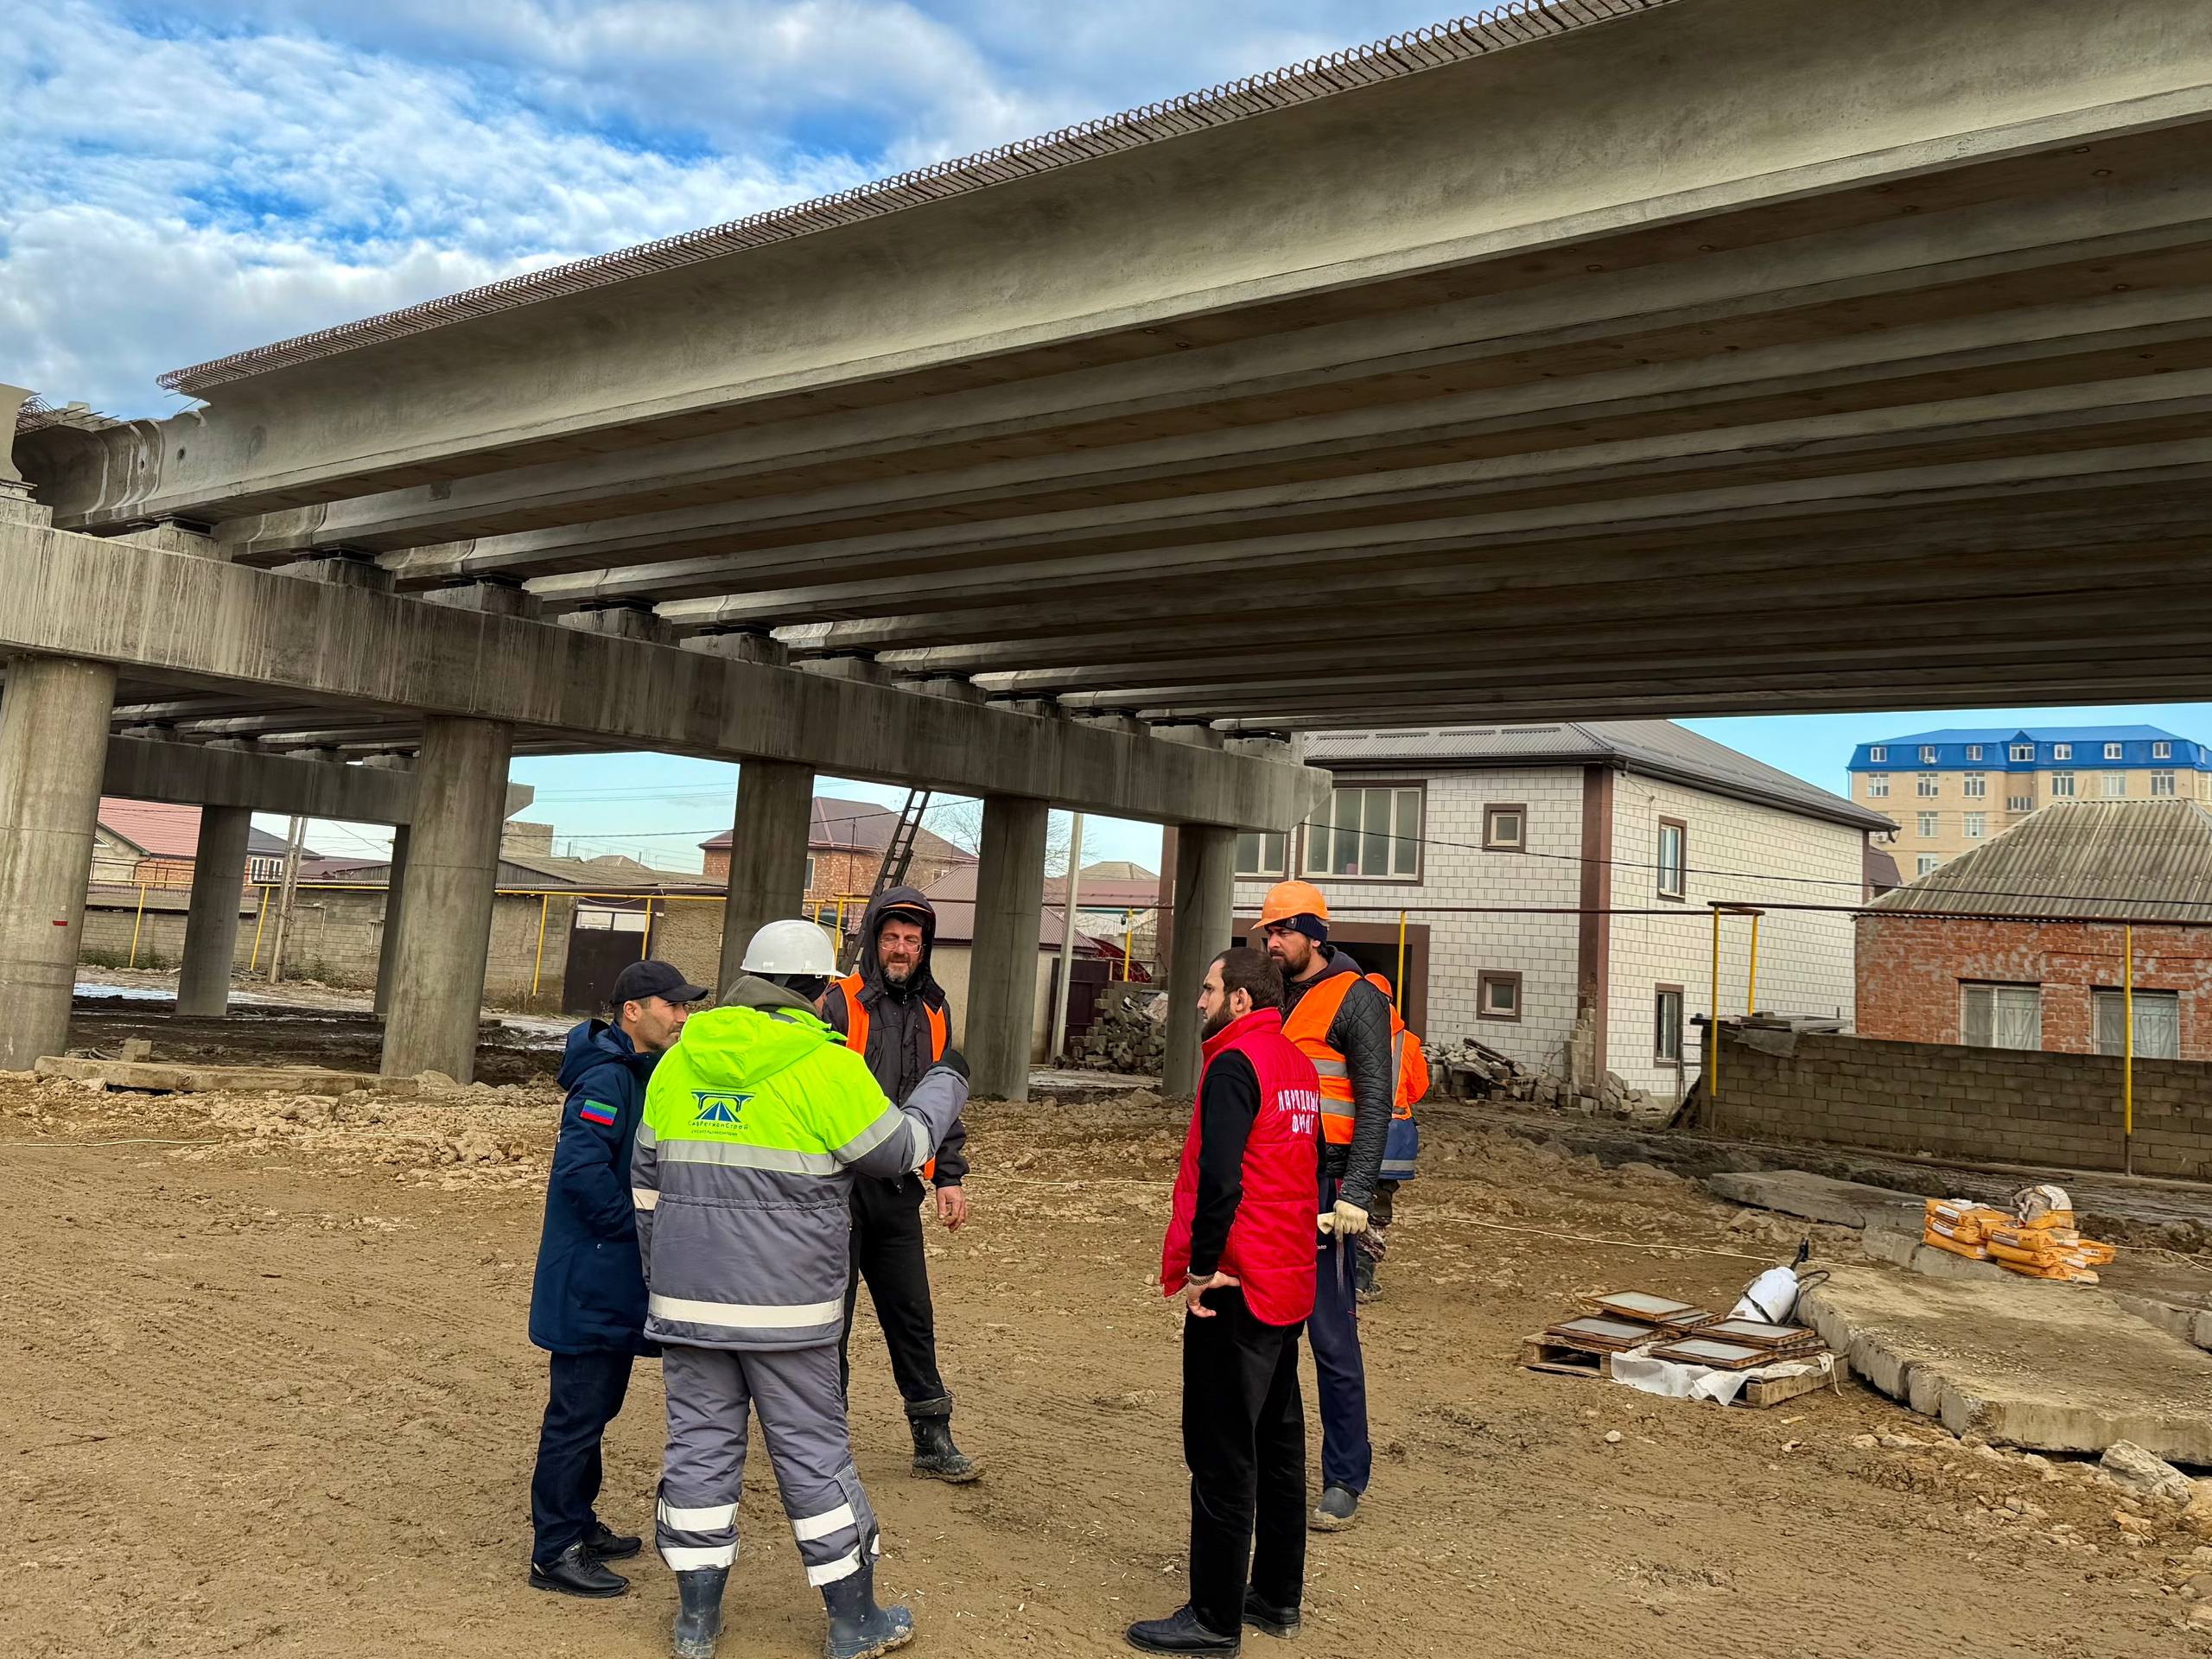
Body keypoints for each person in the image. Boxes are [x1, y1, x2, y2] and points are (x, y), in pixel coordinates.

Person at [634, 919, 971, 1659]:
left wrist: (666, 1285)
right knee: (814, 1459)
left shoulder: (678, 1063)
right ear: (820, 992)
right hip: (791, 1314)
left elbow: (647, 1192)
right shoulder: (826, 1067)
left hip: (690, 1307)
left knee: (698, 1453)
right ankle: (853, 1624)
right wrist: (945, 1083)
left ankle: (696, 1623)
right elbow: (901, 1152)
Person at [1129, 947, 1321, 1656]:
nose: (1200, 1001)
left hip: (1237, 1286)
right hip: (1287, 1278)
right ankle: (1275, 1597)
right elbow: (1310, 1162)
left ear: (1241, 999)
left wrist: (1203, 1268)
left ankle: (1213, 1618)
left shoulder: (1235, 1064)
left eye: (1209, 989)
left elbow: (1221, 1177)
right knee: (1276, 1447)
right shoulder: (1295, 1063)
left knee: (1220, 1452)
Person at [526, 959, 707, 1598]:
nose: (682, 1016)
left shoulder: (637, 1073)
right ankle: (555, 1551)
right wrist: (636, 1233)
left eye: (686, 1006)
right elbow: (581, 1172)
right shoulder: (606, 1079)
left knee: (596, 1409)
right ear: (634, 1010)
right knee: (575, 1415)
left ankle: (579, 1522)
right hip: (589, 1279)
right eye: (672, 1005)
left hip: (609, 1279)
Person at [821, 887, 978, 1483]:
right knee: (831, 1319)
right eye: (891, 938)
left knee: (912, 1315)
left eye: (913, 940)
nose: (902, 949)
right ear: (873, 940)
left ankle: (932, 1437)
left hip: (897, 1190)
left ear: (925, 947)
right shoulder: (839, 1003)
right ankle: (825, 1443)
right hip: (838, 1189)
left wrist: (949, 1176)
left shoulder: (935, 1009)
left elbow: (942, 1099)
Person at [1255, 880, 1391, 1534]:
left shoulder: (1355, 999)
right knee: (1267, 1332)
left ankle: (1345, 1477)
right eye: (1268, 933)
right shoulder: (1276, 995)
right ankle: (1269, 1461)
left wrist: (1358, 1196)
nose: (1272, 942)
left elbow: (1374, 1101)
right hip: (1277, 1186)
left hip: (1329, 1191)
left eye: (1281, 931)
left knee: (1331, 1340)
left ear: (1314, 932)